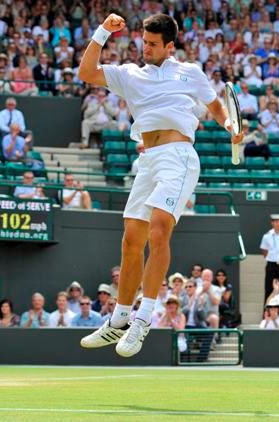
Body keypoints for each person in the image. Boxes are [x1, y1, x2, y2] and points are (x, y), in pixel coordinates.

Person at [78, 13, 242, 358]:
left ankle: (143, 318)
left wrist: (229, 124)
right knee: (130, 240)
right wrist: (103, 32)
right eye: (144, 41)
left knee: (158, 230)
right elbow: (86, 72)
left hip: (178, 157)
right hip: (148, 161)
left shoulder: (189, 72)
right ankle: (119, 319)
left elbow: (215, 106)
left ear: (170, 46)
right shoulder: (130, 74)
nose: (145, 48)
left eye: (153, 43)